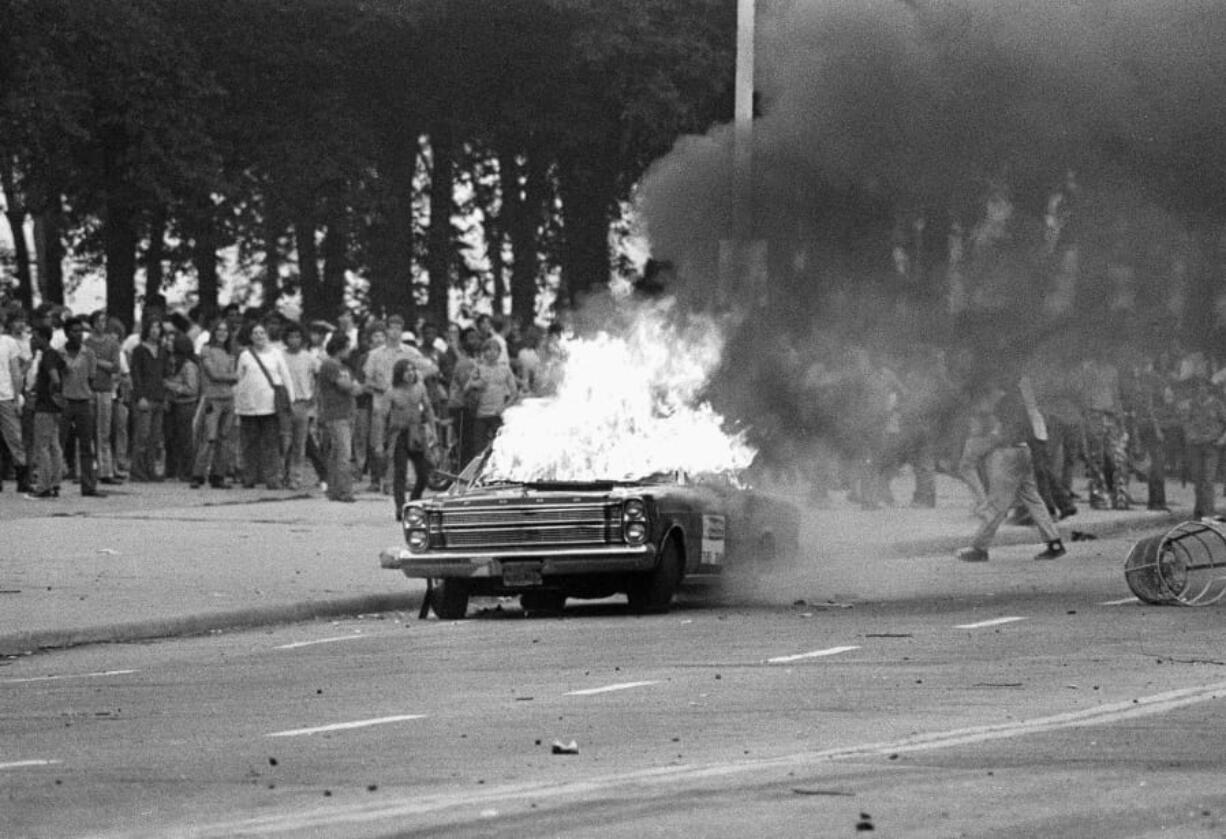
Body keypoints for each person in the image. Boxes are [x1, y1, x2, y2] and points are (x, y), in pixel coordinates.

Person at [955, 377, 1067, 562]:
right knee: (1033, 499)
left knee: (997, 504)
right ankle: (1054, 543)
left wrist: (985, 444)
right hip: (1024, 451)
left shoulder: (1001, 403)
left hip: (1007, 455)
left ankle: (979, 547)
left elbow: (1001, 434)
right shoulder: (1019, 401)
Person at [363, 314, 439, 492]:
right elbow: (367, 380)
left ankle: (406, 480)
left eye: (399, 328)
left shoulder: (410, 352)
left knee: (407, 442)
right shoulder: (375, 355)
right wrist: (381, 386)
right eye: (392, 328)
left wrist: (417, 379)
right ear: (386, 330)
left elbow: (433, 367)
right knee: (383, 444)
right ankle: (385, 481)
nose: (395, 332)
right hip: (382, 404)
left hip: (405, 406)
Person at [234, 322, 296, 489]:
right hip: (249, 406)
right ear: (250, 336)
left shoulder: (276, 354)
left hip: (270, 406)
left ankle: (272, 478)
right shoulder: (245, 355)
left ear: (267, 336)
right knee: (249, 444)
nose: (259, 336)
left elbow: (285, 377)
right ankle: (249, 477)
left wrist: (290, 399)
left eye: (262, 333)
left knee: (271, 444)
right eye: (255, 333)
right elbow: (240, 378)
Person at [386, 358, 436, 518]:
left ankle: (414, 500)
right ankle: (400, 507)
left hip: (417, 433)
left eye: (412, 370)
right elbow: (380, 416)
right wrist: (380, 442)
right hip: (399, 433)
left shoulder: (420, 388)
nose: (410, 373)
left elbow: (428, 410)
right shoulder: (392, 392)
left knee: (423, 472)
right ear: (399, 374)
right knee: (400, 472)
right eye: (406, 371)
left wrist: (432, 430)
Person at [191, 318, 237, 489]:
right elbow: (213, 374)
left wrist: (228, 377)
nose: (222, 333)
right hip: (212, 398)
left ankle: (218, 475)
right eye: (219, 330)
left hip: (228, 399)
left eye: (225, 330)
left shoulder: (230, 353)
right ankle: (198, 473)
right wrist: (230, 377)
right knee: (209, 437)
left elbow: (231, 375)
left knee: (224, 439)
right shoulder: (206, 350)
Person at [317, 332, 361, 502]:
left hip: (347, 413)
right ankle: (345, 491)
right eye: (347, 347)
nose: (349, 351)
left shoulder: (345, 368)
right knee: (344, 453)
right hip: (336, 414)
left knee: (336, 454)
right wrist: (356, 386)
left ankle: (334, 490)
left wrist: (355, 387)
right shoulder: (330, 365)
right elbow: (346, 386)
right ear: (339, 348)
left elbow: (354, 387)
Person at [1176, 371, 1226, 520]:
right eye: (1198, 388)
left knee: (1208, 480)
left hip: (1212, 446)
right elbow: (1185, 423)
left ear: (1208, 389)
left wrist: (1223, 439)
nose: (1201, 390)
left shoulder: (1217, 404)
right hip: (1195, 446)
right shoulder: (1193, 404)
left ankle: (1209, 511)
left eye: (1203, 387)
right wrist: (1189, 435)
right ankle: (1199, 511)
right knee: (1198, 480)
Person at [281, 322, 322, 490]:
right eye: (291, 337)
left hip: (302, 402)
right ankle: (282, 474)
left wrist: (314, 396)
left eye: (297, 337)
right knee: (284, 441)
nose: (294, 340)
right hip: (284, 403)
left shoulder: (309, 357)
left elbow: (319, 375)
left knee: (299, 443)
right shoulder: (280, 356)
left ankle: (295, 477)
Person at [26, 326, 66, 499]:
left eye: (35, 337)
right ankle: (55, 482)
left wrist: (50, 393)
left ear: (43, 338)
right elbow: (67, 370)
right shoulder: (56, 354)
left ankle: (43, 486)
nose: (33, 340)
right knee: (54, 445)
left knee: (42, 446)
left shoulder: (48, 356)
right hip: (56, 408)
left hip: (45, 406)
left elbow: (55, 378)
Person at [129, 318, 168, 482]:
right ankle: (137, 470)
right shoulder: (139, 350)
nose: (155, 331)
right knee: (142, 435)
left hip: (159, 395)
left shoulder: (163, 351)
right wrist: (140, 396)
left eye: (158, 327)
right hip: (145, 397)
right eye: (152, 327)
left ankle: (151, 469)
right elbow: (136, 374)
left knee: (155, 436)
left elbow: (164, 374)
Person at [85, 309, 122, 485]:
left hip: (105, 389)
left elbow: (115, 366)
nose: (102, 324)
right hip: (90, 389)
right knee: (88, 430)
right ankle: (88, 468)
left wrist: (97, 361)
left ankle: (106, 470)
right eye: (99, 321)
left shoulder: (112, 343)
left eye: (104, 321)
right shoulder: (87, 343)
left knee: (104, 431)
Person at [465, 338, 518, 452]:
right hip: (481, 414)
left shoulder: (505, 369)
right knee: (479, 449)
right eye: (488, 349)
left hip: (497, 414)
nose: (492, 352)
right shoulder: (479, 368)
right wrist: (475, 384)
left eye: (495, 350)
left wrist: (504, 407)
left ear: (499, 352)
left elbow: (514, 393)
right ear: (484, 352)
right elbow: (466, 389)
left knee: (500, 448)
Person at [0, 309, 32, 493]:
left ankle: (23, 477)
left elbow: (15, 371)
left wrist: (16, 395)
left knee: (14, 438)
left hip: (5, 395)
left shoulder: (8, 343)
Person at [162, 333, 201, 482]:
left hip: (185, 405)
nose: (169, 343)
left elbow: (192, 388)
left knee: (185, 439)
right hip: (173, 404)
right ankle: (172, 470)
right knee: (171, 439)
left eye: (173, 341)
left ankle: (187, 471)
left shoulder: (188, 366)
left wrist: (170, 385)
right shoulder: (172, 362)